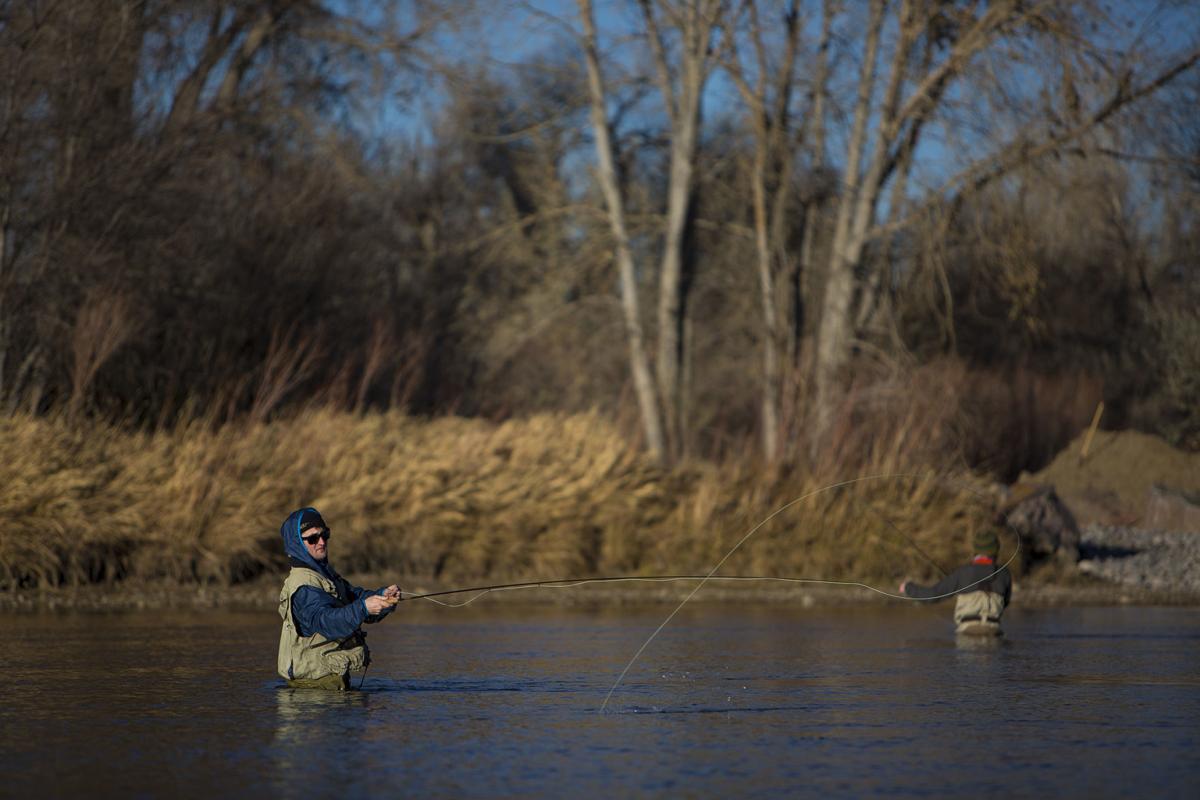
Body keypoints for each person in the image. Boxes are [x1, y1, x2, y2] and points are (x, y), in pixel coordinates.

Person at [277, 507, 401, 689]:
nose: (321, 542)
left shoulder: (323, 574)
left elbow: (353, 597)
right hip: (313, 691)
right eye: (312, 538)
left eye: (324, 535)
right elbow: (327, 621)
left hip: (327, 683)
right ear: (297, 543)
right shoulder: (303, 587)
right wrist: (364, 608)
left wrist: (383, 596)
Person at [899, 528, 1012, 636]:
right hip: (994, 631)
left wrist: (908, 588)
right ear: (996, 550)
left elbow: (932, 595)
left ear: (976, 549)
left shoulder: (963, 573)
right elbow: (1005, 603)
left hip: (968, 632)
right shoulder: (1004, 574)